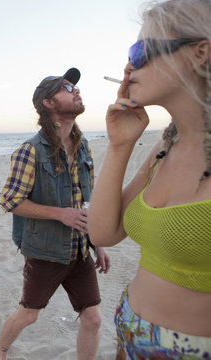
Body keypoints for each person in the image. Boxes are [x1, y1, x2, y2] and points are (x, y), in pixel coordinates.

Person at [87, 0, 211, 358]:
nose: (129, 66)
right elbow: (104, 233)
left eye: (141, 51)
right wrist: (120, 145)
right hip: (130, 331)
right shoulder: (165, 146)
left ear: (199, 51)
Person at [0, 67, 111, 360]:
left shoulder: (83, 146)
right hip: (45, 251)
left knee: (93, 318)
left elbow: (88, 200)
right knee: (28, 315)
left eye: (75, 87)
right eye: (67, 88)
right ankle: (0, 353)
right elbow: (10, 200)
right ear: (48, 103)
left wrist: (98, 242)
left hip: (79, 250)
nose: (76, 91)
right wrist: (60, 214)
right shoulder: (30, 151)